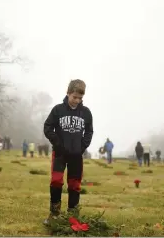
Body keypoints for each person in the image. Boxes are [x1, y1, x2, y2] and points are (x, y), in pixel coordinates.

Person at [43, 79, 93, 225]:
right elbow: (47, 128)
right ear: (68, 93)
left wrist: (82, 146)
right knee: (56, 181)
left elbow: (89, 131)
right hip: (59, 153)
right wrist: (57, 144)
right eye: (74, 97)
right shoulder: (58, 110)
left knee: (74, 184)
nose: (77, 100)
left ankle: (73, 215)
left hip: (76, 156)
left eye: (80, 98)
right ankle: (54, 214)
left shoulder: (86, 112)